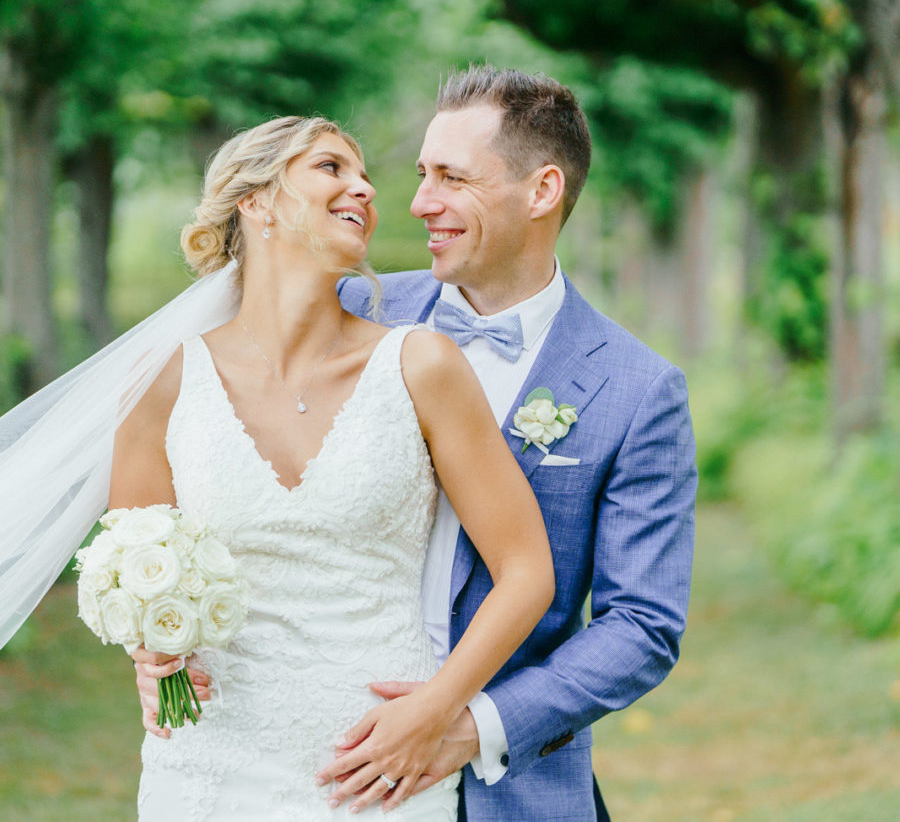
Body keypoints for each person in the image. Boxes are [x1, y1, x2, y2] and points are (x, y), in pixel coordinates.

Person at [94, 115, 554, 820]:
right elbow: (135, 567)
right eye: (332, 168)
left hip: (380, 765)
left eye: (365, 174)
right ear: (257, 201)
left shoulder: (421, 365)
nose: (365, 189)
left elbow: (526, 571)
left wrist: (435, 709)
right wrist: (152, 662)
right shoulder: (164, 381)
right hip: (209, 765)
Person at [318, 67, 697, 820]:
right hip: (325, 752)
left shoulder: (638, 390)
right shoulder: (353, 312)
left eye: (452, 178)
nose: (422, 202)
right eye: (424, 175)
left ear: (542, 191)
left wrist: (470, 728)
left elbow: (641, 626)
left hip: (511, 792)